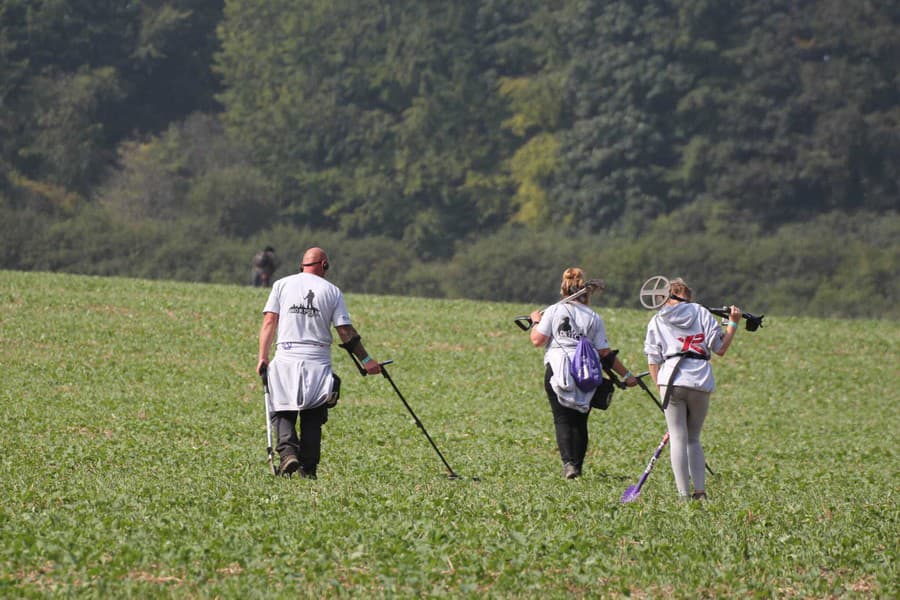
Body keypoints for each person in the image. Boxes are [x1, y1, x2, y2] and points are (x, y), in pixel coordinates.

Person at [256, 247, 381, 478]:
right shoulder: (332, 291)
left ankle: (287, 453)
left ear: (302, 264)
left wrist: (262, 356)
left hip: (285, 357)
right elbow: (345, 331)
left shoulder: (281, 285)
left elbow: (269, 322)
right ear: (324, 265)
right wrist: (366, 360)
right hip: (317, 361)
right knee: (313, 416)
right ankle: (308, 469)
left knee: (282, 410)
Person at [529, 268, 638, 479]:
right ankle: (577, 467)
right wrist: (627, 375)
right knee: (580, 419)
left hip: (557, 367)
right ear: (585, 292)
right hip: (585, 369)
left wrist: (536, 321)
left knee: (562, 419)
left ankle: (568, 464)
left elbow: (537, 340)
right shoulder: (594, 317)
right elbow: (604, 353)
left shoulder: (553, 311)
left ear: (564, 288)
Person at [643, 277, 742, 500]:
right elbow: (720, 348)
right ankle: (700, 491)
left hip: (670, 380)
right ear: (688, 296)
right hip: (699, 379)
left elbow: (652, 360)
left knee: (677, 437)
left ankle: (683, 495)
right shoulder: (700, 312)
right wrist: (733, 324)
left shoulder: (657, 320)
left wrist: (661, 388)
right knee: (693, 438)